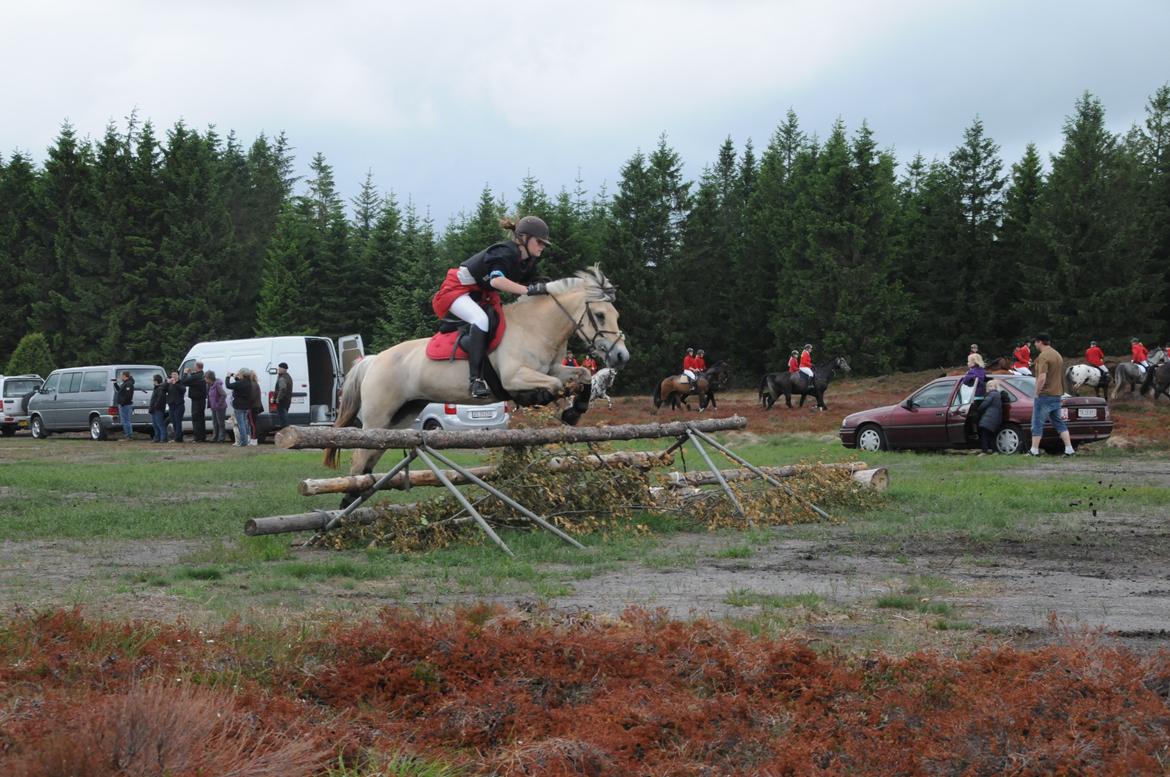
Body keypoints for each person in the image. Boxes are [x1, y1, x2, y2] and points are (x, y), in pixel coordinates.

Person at [431, 215, 551, 398]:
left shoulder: (527, 261)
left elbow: (534, 282)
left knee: (500, 322)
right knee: (480, 320)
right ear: (524, 238)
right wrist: (528, 291)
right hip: (457, 290)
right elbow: (497, 281)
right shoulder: (505, 252)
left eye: (544, 243)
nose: (542, 246)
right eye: (539, 242)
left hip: (480, 293)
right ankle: (476, 381)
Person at [1029, 333, 1074, 457]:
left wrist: (1037, 392)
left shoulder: (1043, 356)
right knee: (1058, 422)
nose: (1035, 345)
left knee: (1037, 422)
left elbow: (1042, 377)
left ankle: (1034, 450)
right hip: (1057, 393)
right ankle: (1069, 449)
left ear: (1040, 342)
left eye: (1035, 342)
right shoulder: (1057, 354)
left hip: (1045, 394)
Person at [976, 379, 1005, 455]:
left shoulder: (992, 394)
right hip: (995, 418)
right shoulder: (998, 394)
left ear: (995, 387)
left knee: (984, 435)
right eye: (988, 386)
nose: (990, 387)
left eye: (991, 386)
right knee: (992, 435)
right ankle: (995, 451)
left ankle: (984, 451)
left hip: (989, 418)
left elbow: (984, 404)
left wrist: (978, 410)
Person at [180, 361, 207, 442]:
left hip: (196, 400)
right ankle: (202, 436)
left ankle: (197, 437)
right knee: (201, 418)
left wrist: (185, 373)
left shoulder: (196, 377)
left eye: (194, 366)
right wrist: (191, 373)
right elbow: (191, 379)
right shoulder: (202, 374)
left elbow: (184, 382)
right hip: (201, 400)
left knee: (196, 418)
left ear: (197, 367)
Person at [225, 369, 252, 446]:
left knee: (241, 424)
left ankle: (244, 442)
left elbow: (228, 385)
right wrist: (234, 376)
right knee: (246, 423)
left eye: (239, 373)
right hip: (246, 406)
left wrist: (227, 377)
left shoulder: (239, 383)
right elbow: (239, 383)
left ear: (242, 375)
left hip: (238, 406)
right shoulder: (249, 382)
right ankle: (248, 440)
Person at [112, 371, 135, 440]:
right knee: (125, 421)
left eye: (121, 376)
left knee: (126, 421)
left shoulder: (128, 384)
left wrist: (122, 403)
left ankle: (128, 436)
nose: (121, 377)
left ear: (125, 376)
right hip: (124, 404)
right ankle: (128, 435)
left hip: (125, 405)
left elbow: (128, 395)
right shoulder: (125, 383)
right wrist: (115, 383)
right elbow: (120, 391)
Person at [206, 370, 227, 443]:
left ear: (209, 378)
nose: (205, 379)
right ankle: (215, 437)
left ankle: (221, 438)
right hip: (213, 407)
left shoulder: (217, 385)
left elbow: (223, 394)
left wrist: (218, 404)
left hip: (220, 407)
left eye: (206, 378)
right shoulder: (210, 385)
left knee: (220, 423)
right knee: (215, 423)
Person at [165, 370, 186, 443]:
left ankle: (178, 438)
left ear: (178, 375)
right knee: (173, 421)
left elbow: (183, 390)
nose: (173, 376)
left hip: (179, 405)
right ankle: (177, 437)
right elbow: (163, 389)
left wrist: (175, 384)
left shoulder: (180, 382)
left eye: (175, 374)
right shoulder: (170, 384)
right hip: (171, 405)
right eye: (172, 374)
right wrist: (167, 383)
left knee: (178, 421)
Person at [148, 374, 167, 443]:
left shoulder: (160, 389)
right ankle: (157, 438)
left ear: (156, 381)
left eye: (153, 380)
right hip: (154, 409)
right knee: (155, 424)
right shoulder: (157, 388)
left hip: (158, 409)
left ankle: (163, 438)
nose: (152, 381)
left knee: (160, 424)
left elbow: (160, 399)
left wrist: (155, 407)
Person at [247, 368, 263, 446]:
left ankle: (254, 439)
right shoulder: (255, 383)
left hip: (252, 406)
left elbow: (252, 396)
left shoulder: (252, 384)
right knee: (253, 423)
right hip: (256, 406)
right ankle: (253, 439)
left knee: (252, 424)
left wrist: (247, 403)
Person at [274, 362, 293, 428]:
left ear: (284, 369)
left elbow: (283, 389)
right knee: (284, 416)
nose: (278, 369)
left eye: (280, 368)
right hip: (287, 399)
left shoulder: (283, 378)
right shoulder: (288, 376)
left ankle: (285, 431)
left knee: (283, 418)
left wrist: (278, 398)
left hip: (282, 400)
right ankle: (285, 430)